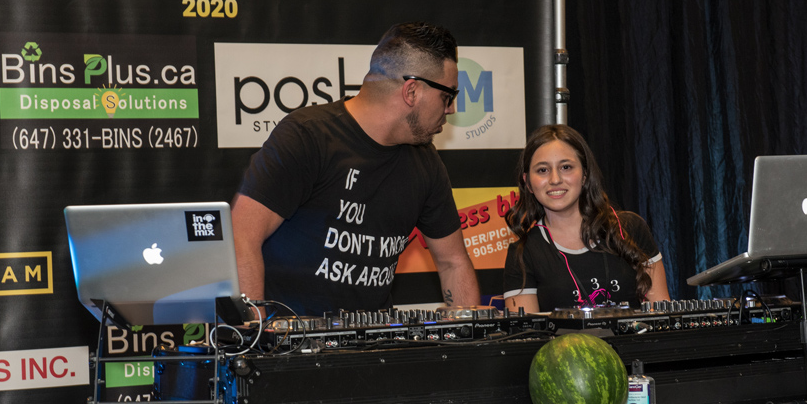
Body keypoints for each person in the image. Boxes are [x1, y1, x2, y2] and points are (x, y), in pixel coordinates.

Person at [232, 22, 480, 316]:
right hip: (289, 337)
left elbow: (453, 262)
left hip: (374, 340)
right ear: (411, 92)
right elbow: (241, 236)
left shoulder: (426, 162)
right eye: (448, 96)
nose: (451, 109)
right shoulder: (308, 137)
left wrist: (470, 329)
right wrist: (257, 334)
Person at [503, 124, 669, 312]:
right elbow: (527, 329)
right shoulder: (522, 254)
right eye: (542, 170)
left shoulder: (631, 228)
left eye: (566, 167)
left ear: (585, 175)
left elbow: (661, 316)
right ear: (527, 182)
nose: (555, 179)